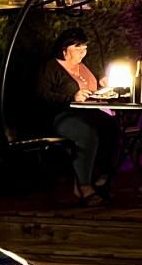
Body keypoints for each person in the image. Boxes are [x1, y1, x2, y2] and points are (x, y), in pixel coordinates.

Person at [37, 28, 118, 204]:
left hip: (89, 112)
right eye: (78, 48)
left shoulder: (84, 66)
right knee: (86, 134)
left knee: (112, 127)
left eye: (85, 48)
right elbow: (42, 95)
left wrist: (103, 83)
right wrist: (70, 98)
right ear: (64, 50)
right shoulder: (52, 67)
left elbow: (94, 87)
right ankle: (84, 185)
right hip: (62, 115)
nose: (83, 52)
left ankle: (102, 177)